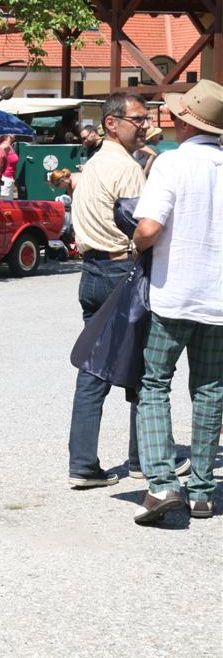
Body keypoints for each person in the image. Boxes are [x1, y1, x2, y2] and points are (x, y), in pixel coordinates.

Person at [66, 91, 188, 488]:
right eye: (137, 119)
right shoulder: (128, 170)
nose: (146, 125)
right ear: (111, 123)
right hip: (122, 271)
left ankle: (90, 462)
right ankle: (141, 459)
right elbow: (143, 232)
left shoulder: (94, 164)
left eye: (146, 118)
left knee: (97, 368)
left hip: (91, 271)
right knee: (140, 368)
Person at [130, 79, 223, 524]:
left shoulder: (171, 163)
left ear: (185, 123)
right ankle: (204, 492)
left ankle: (163, 484)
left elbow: (148, 228)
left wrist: (135, 245)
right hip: (219, 302)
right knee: (210, 390)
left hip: (172, 298)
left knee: (154, 385)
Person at [0, 134, 19, 200]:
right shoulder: (5, 145)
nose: (15, 134)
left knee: (9, 205)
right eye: (12, 132)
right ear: (6, 135)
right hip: (5, 178)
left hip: (10, 178)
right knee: (5, 204)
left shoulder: (10, 146)